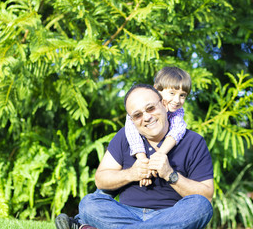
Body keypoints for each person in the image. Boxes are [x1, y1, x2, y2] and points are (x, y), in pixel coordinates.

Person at [55, 83, 214, 229]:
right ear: (131, 120)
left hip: (170, 216)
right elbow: (101, 179)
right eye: (137, 115)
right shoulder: (125, 137)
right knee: (89, 204)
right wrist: (132, 173)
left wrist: (170, 175)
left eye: (150, 108)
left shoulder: (193, 141)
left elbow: (206, 196)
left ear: (164, 105)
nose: (146, 117)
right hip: (124, 214)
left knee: (200, 206)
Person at [125, 67, 190, 187]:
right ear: (156, 90)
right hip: (142, 159)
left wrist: (159, 155)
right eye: (172, 93)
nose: (177, 100)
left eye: (182, 95)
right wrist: (142, 161)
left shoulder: (177, 113)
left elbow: (177, 131)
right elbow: (131, 132)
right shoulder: (139, 108)